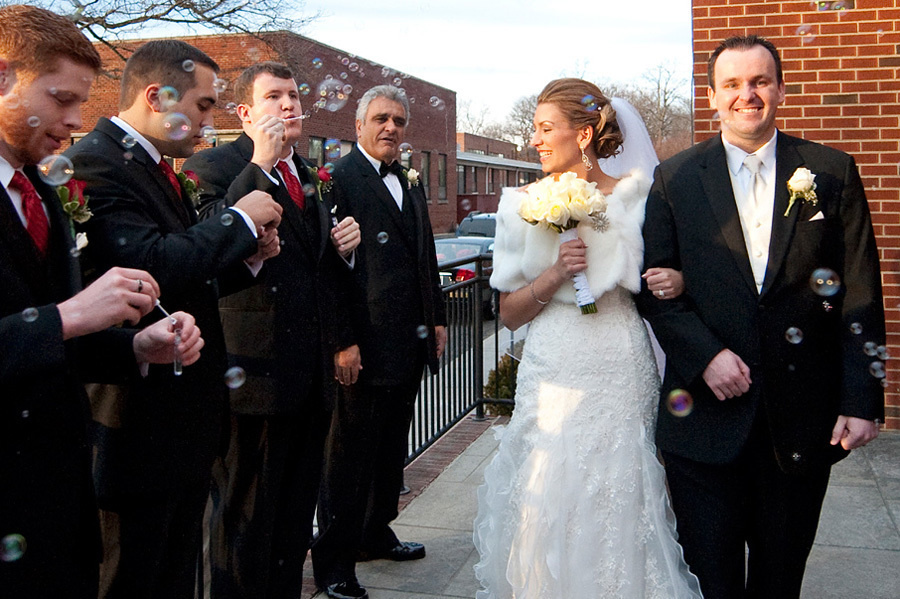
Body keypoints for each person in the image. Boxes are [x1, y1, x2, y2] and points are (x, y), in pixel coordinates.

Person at [638, 35, 885, 599]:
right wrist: (706, 357)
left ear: (779, 88)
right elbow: (654, 290)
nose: (747, 95)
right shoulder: (674, 179)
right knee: (711, 581)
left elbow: (860, 294)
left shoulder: (831, 172)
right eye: (732, 84)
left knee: (780, 580)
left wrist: (861, 400)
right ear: (712, 95)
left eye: (760, 81)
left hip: (800, 417)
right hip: (702, 421)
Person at [64, 40, 283, 598]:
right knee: (132, 576)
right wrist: (237, 220)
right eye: (206, 105)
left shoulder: (157, 166)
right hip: (137, 421)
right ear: (156, 95)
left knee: (176, 572)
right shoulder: (96, 162)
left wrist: (249, 260)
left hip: (183, 421)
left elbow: (190, 275)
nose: (211, 118)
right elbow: (153, 263)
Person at [0, 6, 204, 597]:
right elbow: (55, 323)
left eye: (80, 102)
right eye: (61, 99)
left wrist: (137, 346)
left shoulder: (41, 188)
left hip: (56, 505)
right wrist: (69, 315)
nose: (74, 121)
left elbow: (59, 345)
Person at [472, 78, 702, 598]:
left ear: (585, 133)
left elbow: (679, 269)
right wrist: (553, 276)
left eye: (545, 128)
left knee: (621, 489)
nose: (534, 140)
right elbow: (508, 315)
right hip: (553, 365)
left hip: (620, 364)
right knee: (549, 487)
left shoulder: (638, 196)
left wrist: (679, 279)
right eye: (534, 129)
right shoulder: (517, 205)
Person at [183, 61, 361, 599]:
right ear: (245, 113)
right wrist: (260, 162)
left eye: (293, 96)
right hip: (251, 380)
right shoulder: (211, 166)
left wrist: (341, 253)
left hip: (308, 380)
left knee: (291, 524)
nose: (288, 105)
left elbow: (311, 271)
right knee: (245, 523)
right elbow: (211, 246)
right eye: (274, 97)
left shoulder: (309, 174)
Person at [311, 85, 447, 599]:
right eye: (381, 119)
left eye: (399, 120)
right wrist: (342, 342)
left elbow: (424, 255)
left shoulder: (410, 181)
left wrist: (435, 318)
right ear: (359, 125)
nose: (391, 128)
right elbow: (327, 273)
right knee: (347, 459)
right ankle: (335, 563)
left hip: (407, 344)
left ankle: (375, 532)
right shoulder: (335, 182)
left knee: (391, 450)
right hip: (361, 349)